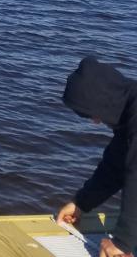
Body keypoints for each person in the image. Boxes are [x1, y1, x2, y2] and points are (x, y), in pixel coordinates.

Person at [57, 57, 137, 257]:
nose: (94, 121)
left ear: (104, 100)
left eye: (93, 114)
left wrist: (122, 242)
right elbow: (115, 167)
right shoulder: (128, 112)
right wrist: (81, 203)